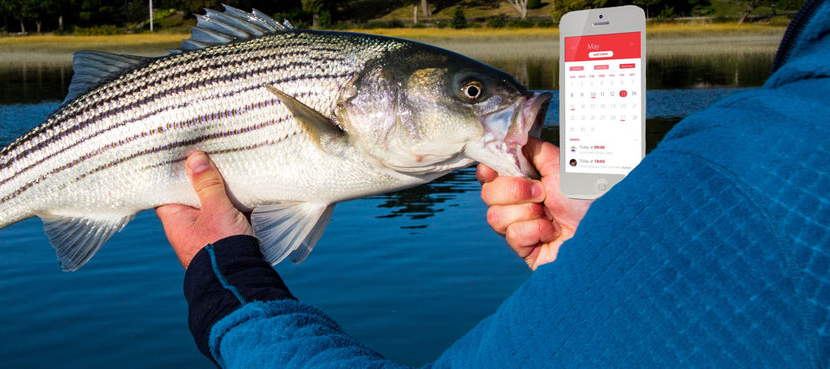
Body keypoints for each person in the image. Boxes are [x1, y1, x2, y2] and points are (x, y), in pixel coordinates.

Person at [157, 0, 830, 366]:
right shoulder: (770, 155)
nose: (495, 102)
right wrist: (612, 247)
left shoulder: (763, 151)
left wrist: (231, 294)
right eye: (471, 91)